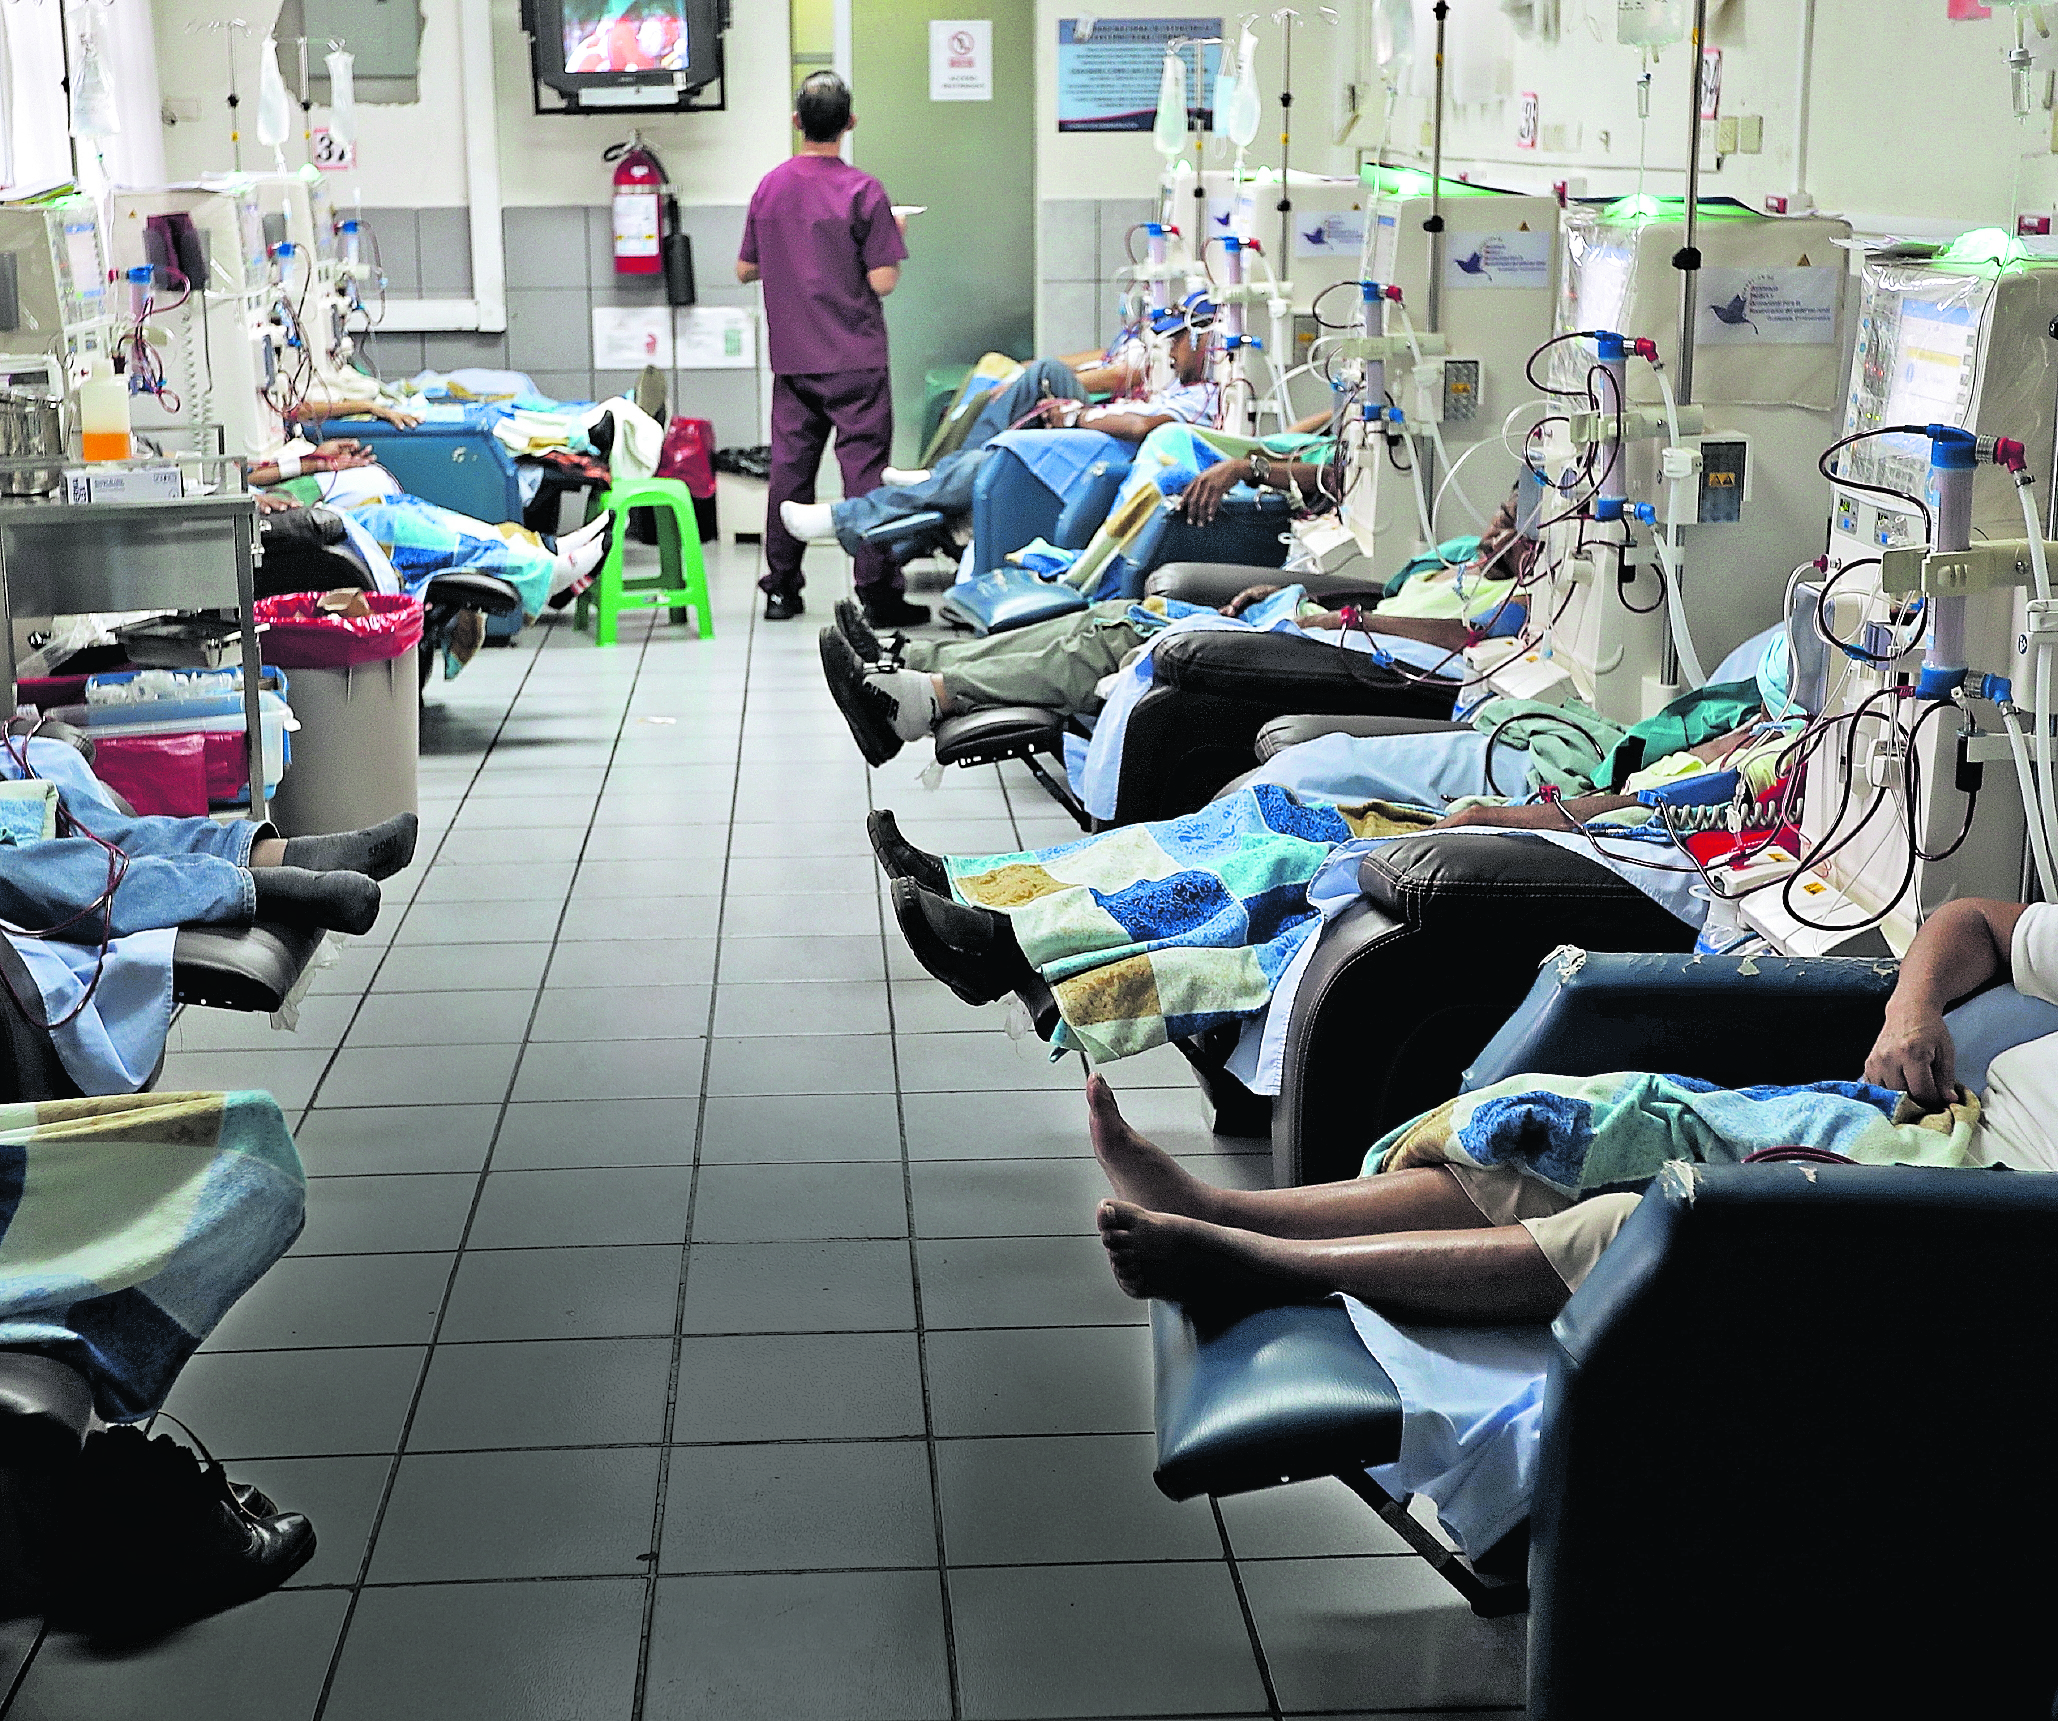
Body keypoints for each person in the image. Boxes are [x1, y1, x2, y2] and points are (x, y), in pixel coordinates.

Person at [1080, 892, 2058, 1322]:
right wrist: (1913, 1004)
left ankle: (1269, 1270)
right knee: (1567, 1125)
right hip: (1926, 1122)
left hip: (1994, 1213)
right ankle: (1228, 1212)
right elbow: (1973, 919)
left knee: (1661, 1224)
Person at [816, 486, 1536, 766]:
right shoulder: (1453, 563)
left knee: (1105, 639)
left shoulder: (1518, 609)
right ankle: (905, 658)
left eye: (1516, 524)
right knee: (1103, 614)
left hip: (1325, 645)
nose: (1497, 525)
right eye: (1500, 510)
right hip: (1291, 619)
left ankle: (920, 699)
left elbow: (1464, 644)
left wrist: (1326, 614)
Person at [778, 308, 1226, 576]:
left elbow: (1142, 428)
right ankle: (937, 480)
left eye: (1180, 339)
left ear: (1206, 341)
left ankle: (848, 517)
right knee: (1041, 373)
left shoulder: (1205, 397)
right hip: (1089, 433)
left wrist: (1081, 415)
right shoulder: (1183, 384)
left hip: (1096, 450)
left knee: (984, 470)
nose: (1169, 349)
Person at [738, 71, 917, 627]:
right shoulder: (865, 191)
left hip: (794, 362)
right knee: (865, 475)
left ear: (797, 123)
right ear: (850, 123)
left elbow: (745, 268)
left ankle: (781, 590)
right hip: (856, 361)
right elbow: (883, 280)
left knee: (790, 475)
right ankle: (878, 595)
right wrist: (896, 231)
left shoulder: (770, 186)